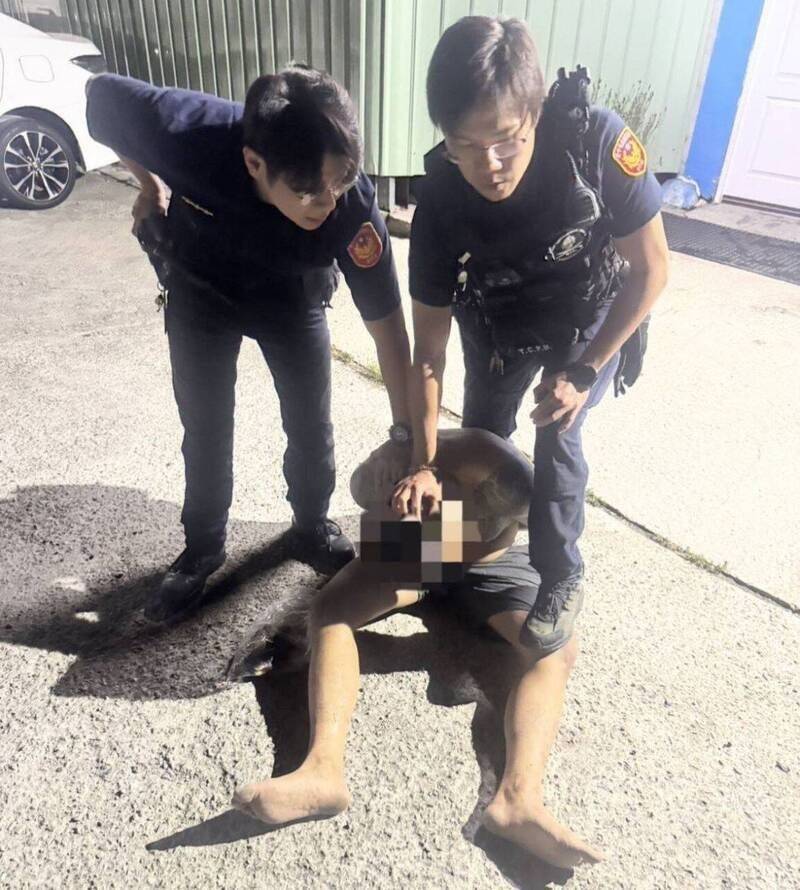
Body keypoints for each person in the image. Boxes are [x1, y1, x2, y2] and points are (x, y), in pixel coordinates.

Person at [84, 66, 413, 622]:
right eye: (308, 191)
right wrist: (150, 185)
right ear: (255, 163)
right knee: (206, 424)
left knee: (311, 422)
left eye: (339, 182)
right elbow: (99, 98)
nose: (328, 203)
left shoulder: (351, 205)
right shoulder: (190, 133)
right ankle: (202, 547)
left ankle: (310, 523)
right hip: (201, 289)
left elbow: (390, 331)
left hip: (293, 297)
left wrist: (404, 434)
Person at [393, 17, 669, 653]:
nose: (489, 164)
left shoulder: (595, 142)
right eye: (465, 145)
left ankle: (559, 572)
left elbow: (652, 270)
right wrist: (423, 463)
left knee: (557, 428)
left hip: (589, 312)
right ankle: (455, 551)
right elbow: (427, 352)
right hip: (500, 318)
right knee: (482, 438)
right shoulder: (440, 201)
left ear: (535, 113)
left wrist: (586, 371)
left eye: (506, 140)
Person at [232, 428, 604, 870]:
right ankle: (320, 770)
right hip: (420, 553)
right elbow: (362, 492)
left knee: (553, 646)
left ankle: (519, 800)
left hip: (491, 561)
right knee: (330, 611)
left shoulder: (486, 457)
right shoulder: (395, 458)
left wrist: (451, 498)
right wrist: (390, 480)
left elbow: (535, 507)